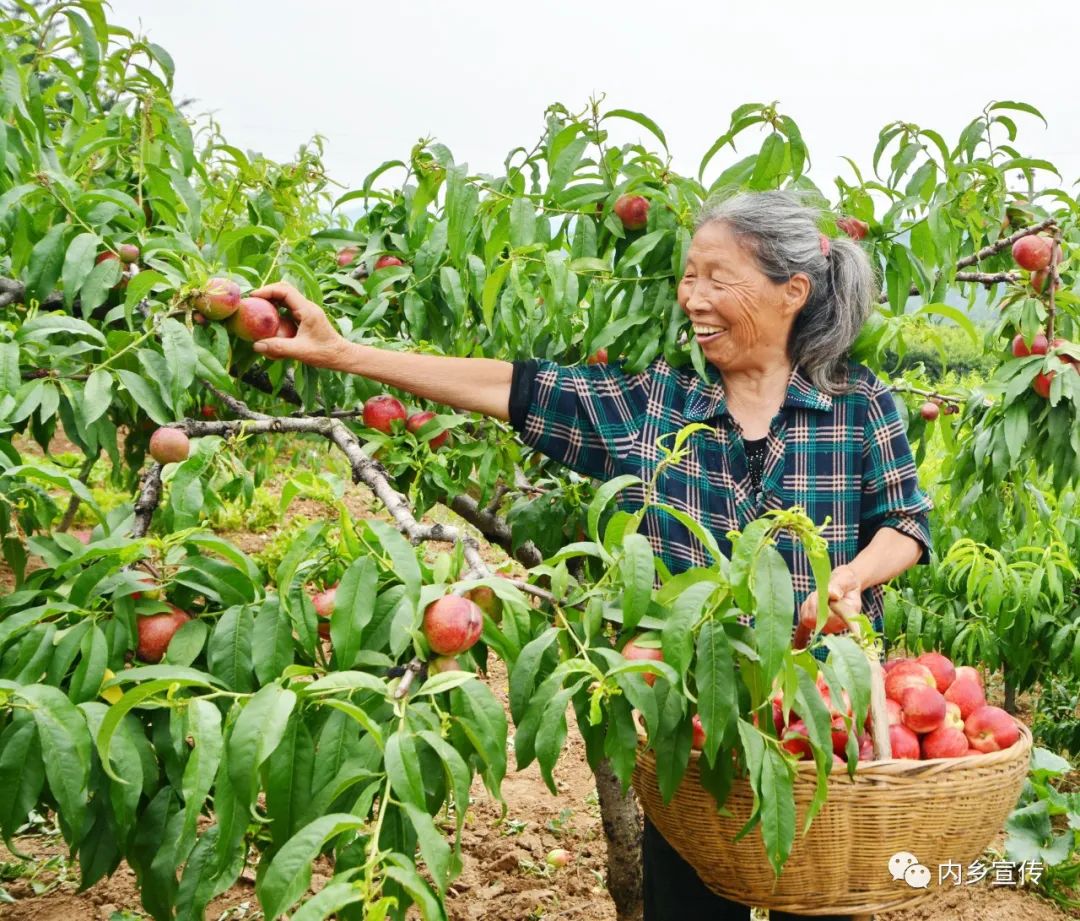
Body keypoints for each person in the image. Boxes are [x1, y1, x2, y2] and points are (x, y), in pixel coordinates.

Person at [249, 190, 931, 921]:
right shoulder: (654, 408)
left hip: (821, 717)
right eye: (687, 276)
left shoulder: (860, 403)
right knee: (688, 907)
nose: (691, 298)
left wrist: (855, 574)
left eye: (715, 278)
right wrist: (344, 353)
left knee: (821, 903)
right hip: (688, 723)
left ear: (792, 290)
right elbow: (510, 386)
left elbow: (905, 523)